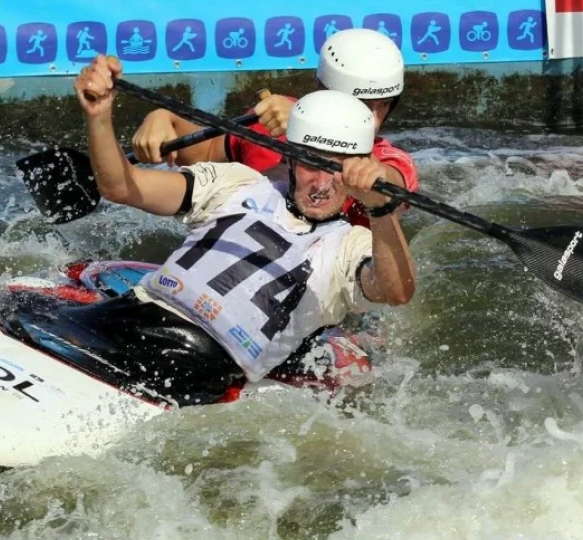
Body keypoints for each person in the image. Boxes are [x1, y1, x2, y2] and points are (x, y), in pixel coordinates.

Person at [69, 54, 415, 406]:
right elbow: (122, 188)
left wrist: (380, 205)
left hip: (198, 360)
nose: (322, 184)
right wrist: (99, 116)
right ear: (291, 156)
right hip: (126, 314)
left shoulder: (351, 245)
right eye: (312, 163)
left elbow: (397, 292)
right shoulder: (237, 182)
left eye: (337, 170)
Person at [130, 27, 418, 229]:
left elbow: (388, 187)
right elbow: (202, 151)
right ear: (322, 90)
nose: (375, 117)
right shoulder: (270, 123)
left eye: (384, 104)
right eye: (362, 104)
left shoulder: (391, 161)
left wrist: (306, 126)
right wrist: (164, 119)